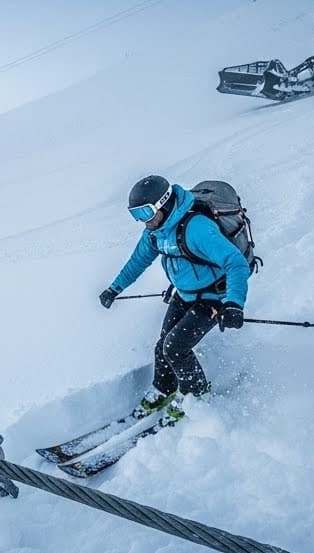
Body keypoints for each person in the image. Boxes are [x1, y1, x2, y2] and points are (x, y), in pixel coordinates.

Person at [98, 175, 250, 425]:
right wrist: (114, 289)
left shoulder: (197, 228)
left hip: (213, 298)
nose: (143, 220)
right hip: (185, 294)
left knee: (175, 348)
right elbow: (137, 262)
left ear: (164, 203)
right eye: (136, 215)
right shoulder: (155, 232)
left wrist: (234, 304)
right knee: (163, 345)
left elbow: (236, 263)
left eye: (146, 212)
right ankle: (163, 389)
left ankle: (195, 396)